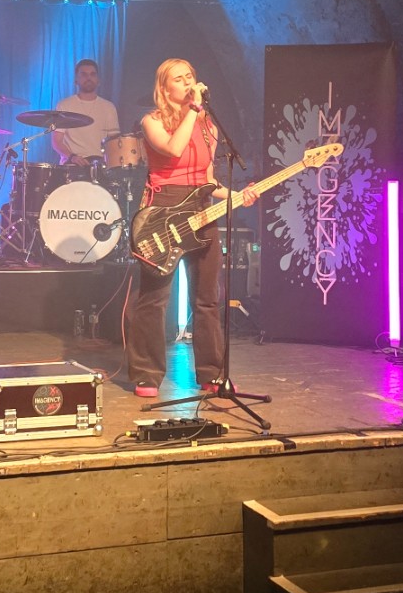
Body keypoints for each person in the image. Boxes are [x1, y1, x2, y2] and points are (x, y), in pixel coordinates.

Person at [124, 58, 257, 398]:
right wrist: (193, 112)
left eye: (190, 77)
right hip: (163, 210)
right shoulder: (151, 121)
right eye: (178, 79)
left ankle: (213, 373)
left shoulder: (209, 127)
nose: (187, 83)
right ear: (164, 88)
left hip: (200, 210)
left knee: (208, 298)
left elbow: (207, 180)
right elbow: (173, 149)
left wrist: (238, 196)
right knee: (154, 299)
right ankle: (146, 374)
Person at [50, 58, 120, 166]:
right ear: (76, 80)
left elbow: (114, 142)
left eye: (93, 74)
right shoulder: (64, 105)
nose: (89, 78)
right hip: (71, 165)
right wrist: (72, 157)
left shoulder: (108, 107)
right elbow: (57, 142)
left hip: (99, 166)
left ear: (98, 80)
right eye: (84, 75)